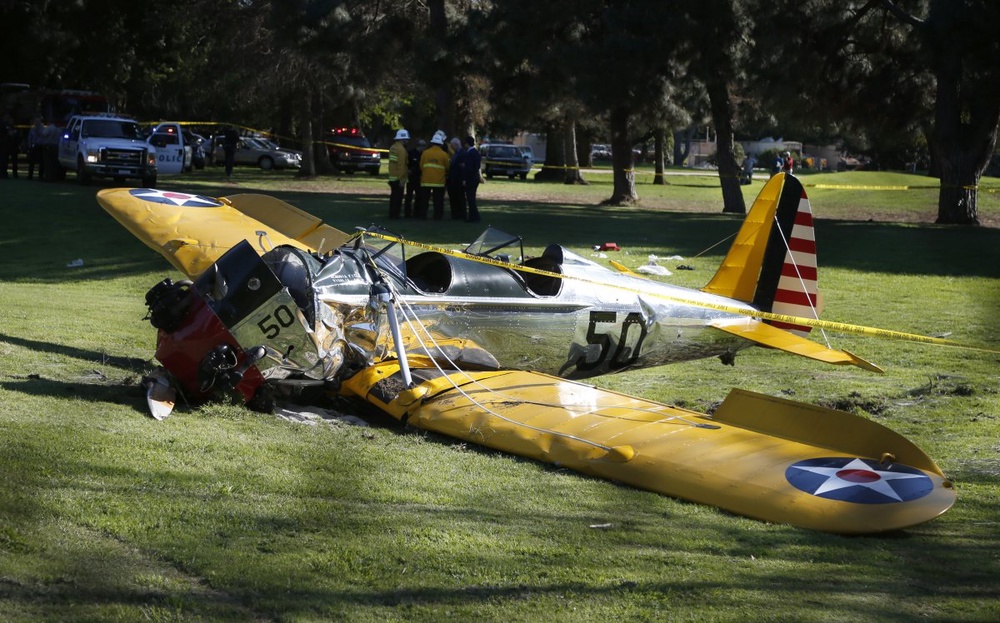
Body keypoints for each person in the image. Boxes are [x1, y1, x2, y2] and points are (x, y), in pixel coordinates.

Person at [417, 130, 449, 220]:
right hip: (439, 182)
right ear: (441, 144)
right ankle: (437, 216)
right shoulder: (444, 154)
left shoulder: (425, 153)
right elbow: (447, 167)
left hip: (425, 181)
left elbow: (421, 166)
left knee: (424, 200)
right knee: (438, 201)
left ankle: (422, 215)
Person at [387, 128, 410, 219]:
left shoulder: (393, 147)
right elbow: (401, 165)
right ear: (402, 139)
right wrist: (401, 178)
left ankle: (392, 214)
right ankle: (395, 215)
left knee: (393, 197)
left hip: (392, 177)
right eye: (406, 139)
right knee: (398, 198)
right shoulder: (401, 150)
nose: (407, 141)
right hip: (398, 178)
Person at [462, 136, 482, 223]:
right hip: (476, 177)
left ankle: (473, 217)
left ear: (467, 143)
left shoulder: (469, 154)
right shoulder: (476, 153)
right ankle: (475, 216)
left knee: (470, 199)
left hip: (470, 178)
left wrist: (465, 179)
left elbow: (469, 168)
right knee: (472, 198)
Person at [447, 137, 467, 220]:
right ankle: (455, 214)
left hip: (458, 180)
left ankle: (460, 214)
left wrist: (463, 179)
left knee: (460, 198)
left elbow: (462, 168)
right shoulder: (456, 153)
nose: (451, 148)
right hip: (453, 180)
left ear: (456, 145)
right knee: (454, 198)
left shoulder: (462, 154)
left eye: (452, 146)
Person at [404, 139, 425, 218]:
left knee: (419, 196)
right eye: (421, 146)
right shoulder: (411, 153)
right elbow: (407, 163)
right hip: (411, 177)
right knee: (409, 195)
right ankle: (407, 213)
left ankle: (417, 213)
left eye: (423, 146)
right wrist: (409, 170)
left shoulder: (424, 154)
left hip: (420, 177)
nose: (422, 147)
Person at [27, 116, 47, 181]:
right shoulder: (32, 129)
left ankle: (40, 176)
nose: (36, 123)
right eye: (35, 121)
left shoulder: (43, 129)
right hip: (34, 146)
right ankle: (30, 175)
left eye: (38, 121)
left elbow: (44, 137)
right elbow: (30, 138)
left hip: (40, 146)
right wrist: (29, 146)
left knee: (41, 162)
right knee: (31, 162)